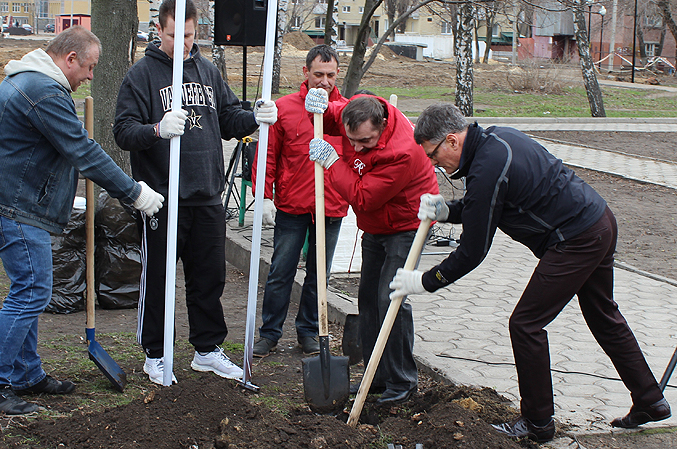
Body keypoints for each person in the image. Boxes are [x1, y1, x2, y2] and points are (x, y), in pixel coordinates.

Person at [391, 102, 670, 441]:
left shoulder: (487, 166)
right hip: (598, 221)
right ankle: (650, 400)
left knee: (526, 325)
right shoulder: (497, 140)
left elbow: (473, 250)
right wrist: (447, 211)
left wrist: (426, 281)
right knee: (602, 315)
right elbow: (486, 204)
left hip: (576, 239)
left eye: (433, 155)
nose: (434, 164)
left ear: (452, 140)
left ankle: (537, 423)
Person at [0, 26, 164, 415]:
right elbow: (83, 152)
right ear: (70, 58)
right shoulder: (42, 90)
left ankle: (26, 373)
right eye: (89, 67)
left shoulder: (35, 81)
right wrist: (134, 192)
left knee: (29, 287)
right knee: (32, 290)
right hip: (11, 207)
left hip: (13, 201)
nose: (90, 76)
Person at [113, 0, 278, 385]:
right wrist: (156, 129)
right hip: (162, 199)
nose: (183, 43)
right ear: (159, 31)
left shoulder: (207, 70)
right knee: (159, 279)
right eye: (175, 36)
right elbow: (122, 131)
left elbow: (226, 118)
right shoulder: (141, 76)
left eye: (189, 35)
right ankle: (156, 353)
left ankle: (206, 350)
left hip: (206, 194)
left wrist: (255, 117)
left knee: (208, 278)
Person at [305, 88, 438, 404]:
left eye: (364, 142)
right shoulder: (357, 113)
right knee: (368, 297)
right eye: (352, 141)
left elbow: (362, 196)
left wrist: (333, 162)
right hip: (377, 225)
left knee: (390, 299)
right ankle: (376, 377)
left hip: (407, 226)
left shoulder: (402, 151)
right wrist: (319, 108)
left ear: (380, 126)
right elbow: (330, 115)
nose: (356, 148)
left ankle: (403, 382)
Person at [251, 45, 349, 357]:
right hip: (292, 207)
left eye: (330, 75)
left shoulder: (347, 113)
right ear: (305, 73)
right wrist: (264, 196)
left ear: (337, 75)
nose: (324, 81)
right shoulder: (285, 109)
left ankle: (309, 331)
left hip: (330, 207)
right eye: (318, 74)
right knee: (281, 270)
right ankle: (270, 333)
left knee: (320, 274)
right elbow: (267, 155)